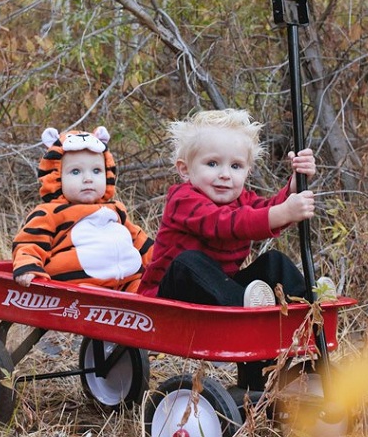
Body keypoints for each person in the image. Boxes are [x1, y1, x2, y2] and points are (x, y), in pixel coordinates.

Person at [138, 108, 324, 307]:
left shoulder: (241, 199)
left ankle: (309, 301)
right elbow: (225, 223)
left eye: (236, 166)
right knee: (187, 262)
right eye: (212, 163)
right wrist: (284, 212)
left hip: (220, 295)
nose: (225, 174)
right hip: (167, 301)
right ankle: (244, 308)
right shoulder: (182, 200)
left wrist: (294, 187)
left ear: (247, 172)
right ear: (185, 170)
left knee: (274, 262)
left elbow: (266, 209)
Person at [12, 126, 153, 292]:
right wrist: (28, 267)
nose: (88, 179)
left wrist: (163, 259)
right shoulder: (50, 212)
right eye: (76, 171)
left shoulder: (116, 210)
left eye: (96, 171)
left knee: (152, 292)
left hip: (128, 283)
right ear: (56, 176)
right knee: (85, 295)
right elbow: (30, 242)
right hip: (78, 286)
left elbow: (139, 240)